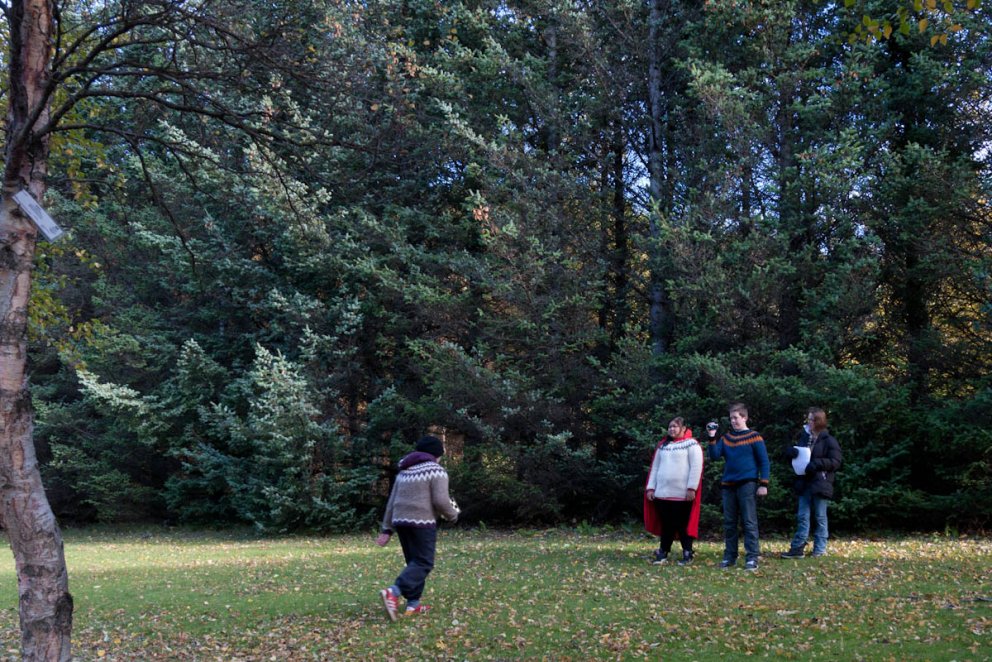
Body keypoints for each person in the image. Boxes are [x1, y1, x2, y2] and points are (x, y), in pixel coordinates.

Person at [376, 435, 459, 621]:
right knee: (423, 562)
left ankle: (413, 604)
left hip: (400, 522)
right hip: (422, 522)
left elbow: (391, 502)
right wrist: (453, 515)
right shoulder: (436, 471)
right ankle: (393, 592)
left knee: (413, 562)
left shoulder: (403, 472)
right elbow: (440, 501)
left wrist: (387, 529)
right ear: (437, 454)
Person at [707, 402, 769, 571]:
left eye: (736, 418)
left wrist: (763, 483)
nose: (733, 421)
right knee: (729, 522)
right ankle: (730, 556)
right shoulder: (727, 438)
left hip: (747, 483)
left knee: (749, 521)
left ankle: (752, 557)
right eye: (731, 418)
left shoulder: (754, 437)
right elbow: (714, 456)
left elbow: (763, 461)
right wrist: (712, 437)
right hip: (728, 484)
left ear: (744, 417)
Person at [780, 408, 842, 559]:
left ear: (818, 421)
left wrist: (817, 463)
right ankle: (797, 548)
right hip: (804, 481)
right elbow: (797, 458)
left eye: (811, 419)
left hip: (820, 482)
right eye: (808, 419)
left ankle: (820, 549)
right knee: (802, 516)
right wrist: (791, 453)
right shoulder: (804, 438)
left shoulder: (829, 440)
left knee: (820, 516)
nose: (808, 422)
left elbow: (835, 461)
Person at [644, 417, 704, 566]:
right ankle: (663, 552)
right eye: (670, 427)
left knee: (682, 524)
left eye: (675, 427)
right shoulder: (663, 446)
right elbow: (655, 468)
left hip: (682, 494)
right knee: (666, 524)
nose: (672, 429)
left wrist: (692, 488)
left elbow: (696, 467)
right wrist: (651, 487)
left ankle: (687, 552)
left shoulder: (692, 444)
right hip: (663, 493)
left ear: (683, 429)